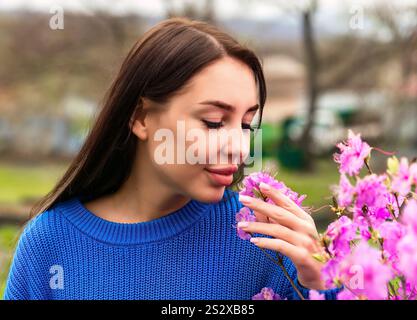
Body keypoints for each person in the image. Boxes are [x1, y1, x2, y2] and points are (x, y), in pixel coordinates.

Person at [4, 17, 340, 300]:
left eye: (246, 124)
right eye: (213, 122)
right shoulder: (49, 243)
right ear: (141, 118)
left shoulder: (267, 242)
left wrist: (324, 285)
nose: (240, 149)